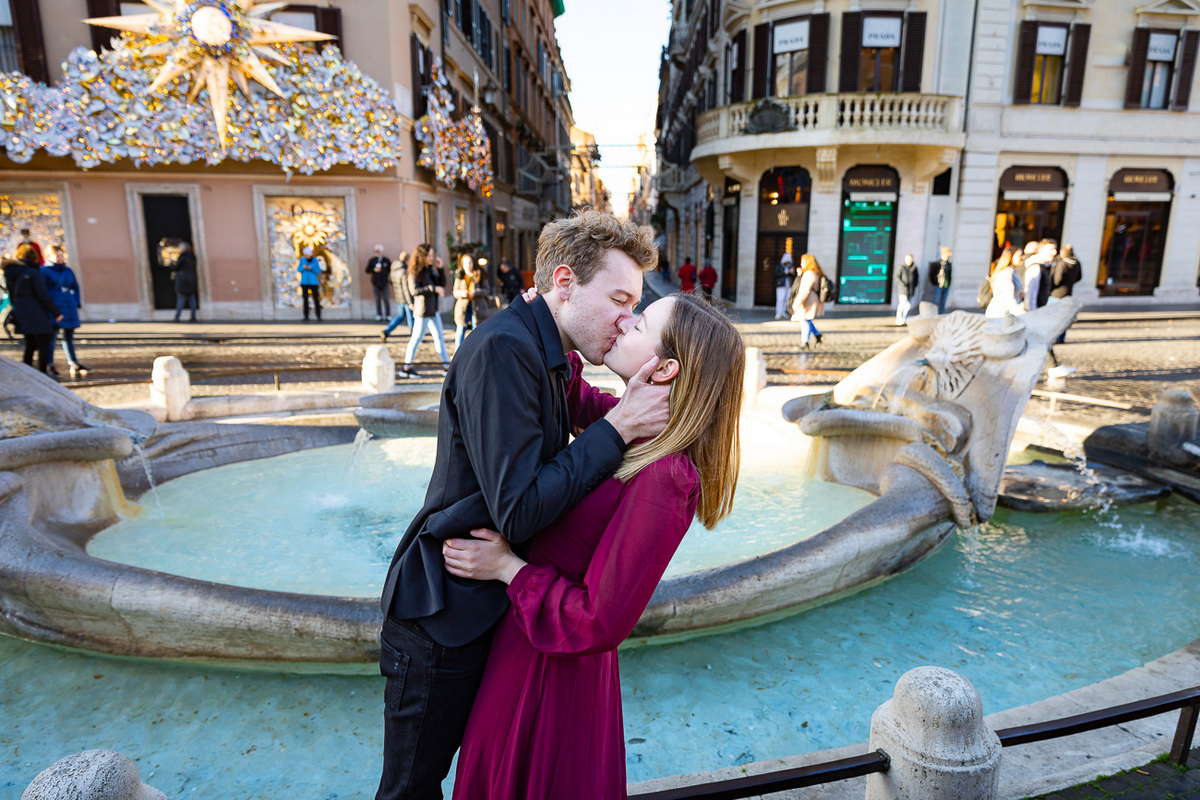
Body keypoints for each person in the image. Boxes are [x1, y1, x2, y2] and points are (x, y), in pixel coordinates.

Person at [375, 210, 670, 799]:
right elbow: (519, 510)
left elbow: (577, 402)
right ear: (563, 283)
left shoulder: (546, 348)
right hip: (442, 613)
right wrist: (618, 426)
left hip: (481, 607)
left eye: (634, 307)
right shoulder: (505, 350)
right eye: (618, 298)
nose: (625, 319)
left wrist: (650, 404)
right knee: (410, 789)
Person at [446, 293, 744, 800]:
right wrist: (553, 311)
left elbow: (599, 619)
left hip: (552, 675)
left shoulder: (667, 474)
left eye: (640, 321)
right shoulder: (638, 427)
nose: (626, 321)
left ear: (666, 367)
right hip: (528, 648)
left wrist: (508, 569)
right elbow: (574, 397)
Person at [3, 244, 60, 374]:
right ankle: (42, 373)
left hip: (21, 313)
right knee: (44, 343)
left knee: (30, 344)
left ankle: (27, 372)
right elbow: (42, 295)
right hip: (36, 313)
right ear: (34, 257)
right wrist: (56, 312)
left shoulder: (11, 272)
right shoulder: (32, 272)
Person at [397, 243, 451, 378]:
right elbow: (414, 290)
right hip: (422, 311)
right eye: (429, 255)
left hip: (433, 310)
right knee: (416, 339)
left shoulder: (429, 269)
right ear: (422, 256)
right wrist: (432, 289)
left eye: (433, 255)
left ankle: (446, 366)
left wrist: (441, 269)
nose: (432, 258)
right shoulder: (414, 271)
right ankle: (406, 368)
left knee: (439, 338)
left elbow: (441, 284)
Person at [43, 245, 88, 378]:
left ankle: (73, 362)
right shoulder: (44, 271)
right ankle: (49, 363)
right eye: (57, 255)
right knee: (52, 337)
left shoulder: (68, 270)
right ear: (49, 257)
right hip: (55, 308)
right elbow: (43, 292)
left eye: (61, 255)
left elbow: (75, 286)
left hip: (69, 306)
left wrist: (76, 301)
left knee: (68, 337)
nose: (60, 258)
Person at [790, 253, 826, 348]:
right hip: (810, 300)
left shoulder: (809, 273)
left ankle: (805, 342)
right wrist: (800, 275)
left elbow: (804, 290)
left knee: (804, 320)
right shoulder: (813, 273)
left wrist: (798, 302)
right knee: (807, 320)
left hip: (807, 301)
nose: (801, 264)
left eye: (803, 262)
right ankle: (817, 335)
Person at [453, 254, 486, 350]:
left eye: (470, 262)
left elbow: (486, 290)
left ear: (473, 263)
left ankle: (476, 353)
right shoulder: (460, 275)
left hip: (477, 307)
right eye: (466, 263)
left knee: (476, 332)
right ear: (462, 264)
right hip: (463, 308)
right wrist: (462, 293)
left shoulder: (479, 274)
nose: (468, 265)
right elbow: (455, 291)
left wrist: (475, 293)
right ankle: (457, 354)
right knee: (460, 331)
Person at [380, 251, 413, 341]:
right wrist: (410, 302)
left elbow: (390, 281)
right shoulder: (403, 271)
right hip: (405, 298)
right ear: (407, 260)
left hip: (398, 296)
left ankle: (387, 331)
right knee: (411, 318)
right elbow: (406, 288)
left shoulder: (394, 269)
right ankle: (414, 336)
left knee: (400, 316)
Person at [984, 246, 1024, 318]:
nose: (1022, 258)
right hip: (1001, 315)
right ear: (1010, 256)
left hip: (1009, 314)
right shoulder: (1006, 273)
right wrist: (1022, 315)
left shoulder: (1013, 272)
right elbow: (1008, 298)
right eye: (1019, 255)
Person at [171, 242, 199, 322]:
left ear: (184, 248)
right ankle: (193, 316)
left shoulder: (182, 257)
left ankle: (177, 317)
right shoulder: (192, 256)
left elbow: (176, 267)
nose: (179, 249)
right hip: (192, 279)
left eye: (180, 247)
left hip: (182, 280)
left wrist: (172, 263)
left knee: (181, 299)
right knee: (192, 299)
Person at [365, 244, 392, 321]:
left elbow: (390, 270)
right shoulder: (372, 260)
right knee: (377, 300)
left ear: (381, 251)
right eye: (376, 250)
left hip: (385, 283)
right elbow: (367, 270)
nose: (377, 252)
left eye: (379, 250)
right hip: (375, 283)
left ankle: (388, 315)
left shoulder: (386, 260)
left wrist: (382, 269)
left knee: (386, 299)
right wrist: (374, 270)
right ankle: (379, 314)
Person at [297, 246, 323, 322]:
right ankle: (306, 316)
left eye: (309, 254)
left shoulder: (315, 260)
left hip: (313, 282)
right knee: (305, 300)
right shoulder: (302, 260)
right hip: (304, 282)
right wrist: (304, 267)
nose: (308, 256)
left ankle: (318, 316)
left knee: (316, 299)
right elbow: (299, 269)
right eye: (306, 254)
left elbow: (318, 271)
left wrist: (311, 268)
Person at [928, 246, 953, 314]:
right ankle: (934, 314)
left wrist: (949, 283)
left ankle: (940, 315)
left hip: (946, 285)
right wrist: (935, 283)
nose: (949, 256)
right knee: (936, 301)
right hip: (938, 285)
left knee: (943, 301)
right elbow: (931, 275)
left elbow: (949, 275)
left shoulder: (949, 263)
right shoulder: (937, 263)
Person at [895, 253, 919, 325]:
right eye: (907, 259)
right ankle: (899, 320)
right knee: (902, 305)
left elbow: (916, 279)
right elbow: (897, 278)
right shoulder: (901, 267)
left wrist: (914, 285)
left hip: (911, 290)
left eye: (910, 259)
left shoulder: (914, 268)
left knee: (907, 306)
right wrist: (903, 285)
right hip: (903, 290)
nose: (909, 260)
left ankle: (904, 319)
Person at [774, 252, 795, 320]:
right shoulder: (779, 266)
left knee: (787, 299)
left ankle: (783, 312)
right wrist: (785, 272)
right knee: (780, 299)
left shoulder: (791, 266)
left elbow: (793, 276)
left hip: (789, 285)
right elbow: (776, 274)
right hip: (781, 285)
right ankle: (778, 313)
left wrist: (792, 273)